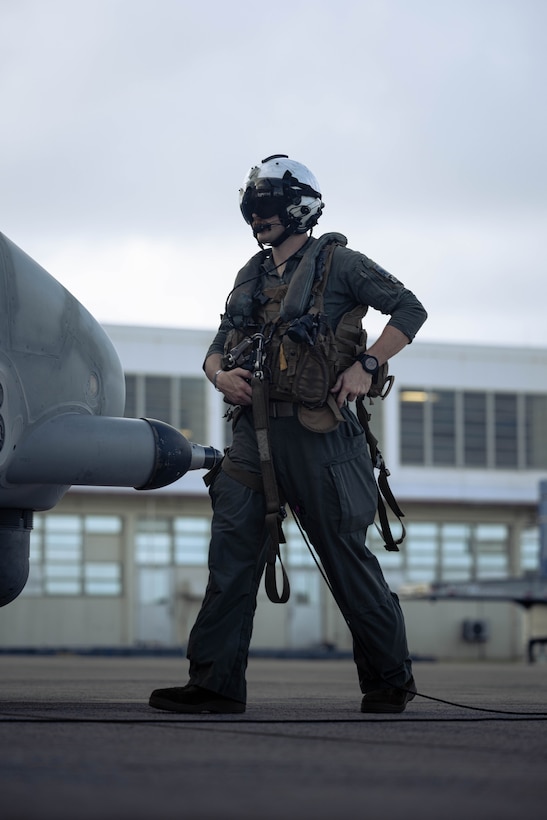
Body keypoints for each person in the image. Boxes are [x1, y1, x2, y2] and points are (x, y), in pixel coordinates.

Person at [149, 154, 427, 715]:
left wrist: (368, 365)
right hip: (253, 434)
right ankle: (215, 684)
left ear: (297, 208)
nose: (259, 221)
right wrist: (219, 374)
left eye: (268, 210)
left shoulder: (341, 264)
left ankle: (389, 679)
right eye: (254, 212)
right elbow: (220, 342)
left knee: (345, 559)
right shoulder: (251, 274)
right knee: (230, 557)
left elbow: (409, 309)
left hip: (320, 432)